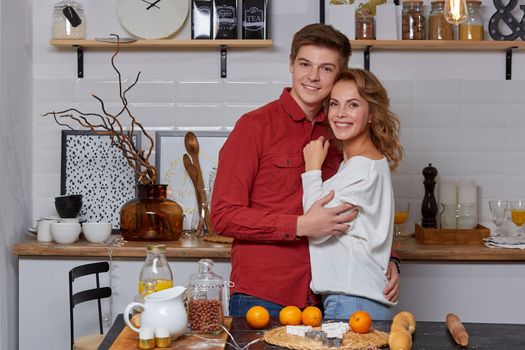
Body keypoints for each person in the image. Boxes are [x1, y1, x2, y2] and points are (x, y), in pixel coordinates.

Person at [211, 23, 400, 317]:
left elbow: (369, 203)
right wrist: (300, 226)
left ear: (339, 74)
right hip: (266, 293)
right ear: (291, 65)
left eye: (326, 68)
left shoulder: (344, 128)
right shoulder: (254, 127)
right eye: (305, 64)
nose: (313, 76)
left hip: (328, 298)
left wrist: (390, 259)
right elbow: (223, 216)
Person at [302, 68, 404, 321]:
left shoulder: (362, 168)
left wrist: (312, 170)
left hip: (352, 301)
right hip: (354, 299)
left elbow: (316, 227)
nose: (341, 114)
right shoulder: (356, 164)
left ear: (372, 114)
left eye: (353, 105)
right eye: (335, 104)